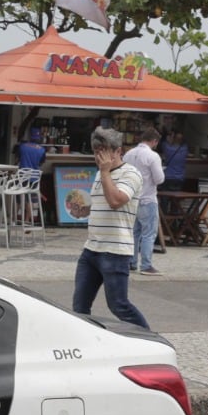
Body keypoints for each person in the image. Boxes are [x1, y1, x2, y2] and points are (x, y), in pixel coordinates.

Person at [71, 127, 150, 329]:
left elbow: (116, 201)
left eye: (105, 151)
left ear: (118, 151)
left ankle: (149, 339)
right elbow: (103, 203)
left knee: (118, 305)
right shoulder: (101, 173)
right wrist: (84, 210)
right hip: (92, 249)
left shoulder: (131, 174)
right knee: (79, 306)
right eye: (96, 151)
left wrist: (105, 172)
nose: (100, 156)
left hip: (114, 251)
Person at [123, 126, 166, 276]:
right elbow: (159, 179)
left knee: (134, 233)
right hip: (147, 198)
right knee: (148, 233)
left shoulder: (128, 154)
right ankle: (146, 265)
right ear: (154, 141)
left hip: (131, 199)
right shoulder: (152, 156)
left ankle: (131, 262)